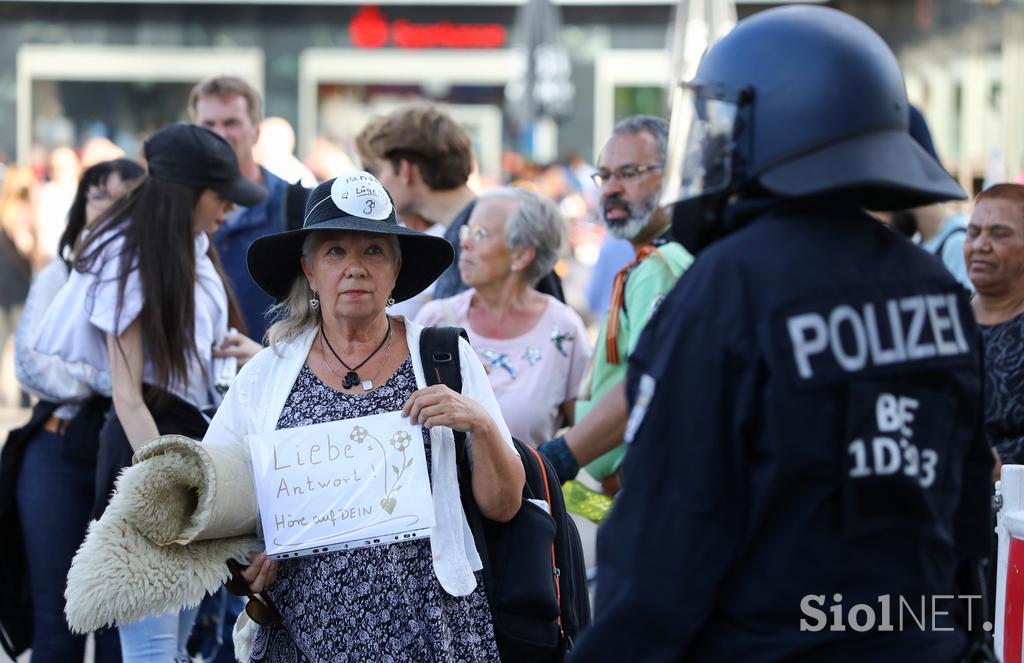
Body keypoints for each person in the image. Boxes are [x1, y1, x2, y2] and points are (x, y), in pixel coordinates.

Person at [569, 6, 993, 661]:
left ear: (773, 126)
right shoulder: (935, 288)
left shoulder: (726, 288)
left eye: (721, 123)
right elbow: (964, 512)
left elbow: (665, 539)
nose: (711, 145)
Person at [201, 172, 524, 662]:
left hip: (432, 634)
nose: (355, 268)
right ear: (309, 271)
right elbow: (217, 494)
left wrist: (477, 422)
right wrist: (243, 562)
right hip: (302, 638)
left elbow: (503, 505)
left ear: (396, 269)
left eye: (373, 251)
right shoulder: (266, 376)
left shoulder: (443, 359)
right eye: (335, 252)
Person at [35, 123, 266, 661]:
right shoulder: (126, 258)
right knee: (152, 651)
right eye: (221, 195)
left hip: (194, 444)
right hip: (154, 452)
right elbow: (128, 394)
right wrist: (162, 480)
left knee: (175, 643)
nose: (231, 208)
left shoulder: (193, 245)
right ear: (188, 193)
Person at [10, 157, 143, 662]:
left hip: (127, 459)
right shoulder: (59, 273)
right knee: (56, 621)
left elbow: (162, 373)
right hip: (56, 450)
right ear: (82, 203)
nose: (108, 206)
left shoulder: (154, 278)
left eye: (124, 196)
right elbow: (32, 366)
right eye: (98, 194)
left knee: (118, 624)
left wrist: (100, 375)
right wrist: (113, 375)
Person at [538, 116, 692, 493]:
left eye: (629, 173)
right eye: (604, 176)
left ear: (672, 177)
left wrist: (558, 458)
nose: (610, 190)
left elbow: (650, 384)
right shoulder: (652, 260)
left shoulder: (659, 266)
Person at [416, 187, 590, 446]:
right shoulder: (436, 321)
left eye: (480, 234)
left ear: (521, 254)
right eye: (467, 230)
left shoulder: (563, 330)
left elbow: (583, 432)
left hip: (524, 486)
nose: (464, 242)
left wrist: (554, 463)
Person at [367, 103, 565, 303]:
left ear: (405, 170)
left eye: (380, 170)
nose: (378, 181)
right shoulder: (484, 229)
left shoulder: (490, 233)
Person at [189, 76, 308, 342]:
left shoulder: (295, 204)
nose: (220, 134)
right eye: (208, 124)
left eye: (231, 122)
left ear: (255, 131)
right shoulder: (178, 210)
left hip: (275, 373)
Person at [966, 184, 1024, 467]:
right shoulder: (945, 320)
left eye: (998, 233)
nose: (980, 245)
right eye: (974, 232)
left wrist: (998, 464)